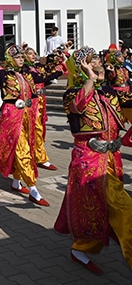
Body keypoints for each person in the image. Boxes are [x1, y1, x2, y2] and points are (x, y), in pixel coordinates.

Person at [54, 46, 132, 274]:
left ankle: (80, 249)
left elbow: (125, 109)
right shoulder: (70, 93)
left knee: (100, 210)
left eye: (97, 59)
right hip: (88, 160)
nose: (98, 62)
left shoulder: (108, 92)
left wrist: (121, 140)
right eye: (92, 60)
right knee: (123, 209)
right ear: (81, 67)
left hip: (111, 158)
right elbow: (78, 106)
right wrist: (89, 79)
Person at [0, 43, 61, 206]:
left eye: (21, 57)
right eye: (17, 57)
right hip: (12, 117)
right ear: (11, 59)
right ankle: (33, 189)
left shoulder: (28, 74)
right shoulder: (4, 74)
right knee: (22, 150)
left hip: (28, 117)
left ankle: (16, 183)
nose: (20, 59)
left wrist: (64, 66)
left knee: (28, 148)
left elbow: (45, 76)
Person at [23, 46, 58, 171]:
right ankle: (41, 158)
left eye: (34, 54)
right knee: (36, 128)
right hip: (34, 101)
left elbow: (45, 79)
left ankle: (35, 154)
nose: (33, 56)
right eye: (30, 54)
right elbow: (39, 79)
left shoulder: (36, 67)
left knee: (41, 127)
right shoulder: (25, 69)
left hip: (42, 99)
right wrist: (58, 71)